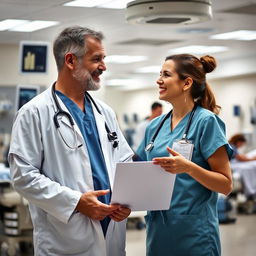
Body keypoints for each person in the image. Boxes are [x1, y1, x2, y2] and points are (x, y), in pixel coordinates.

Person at [8, 26, 133, 256]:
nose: (103, 67)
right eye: (96, 59)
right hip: (64, 239)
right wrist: (76, 202)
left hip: (112, 232)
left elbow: (124, 159)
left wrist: (126, 202)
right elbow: (23, 176)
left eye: (103, 59)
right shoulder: (34, 112)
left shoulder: (104, 112)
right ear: (70, 61)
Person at [136, 54, 233, 256]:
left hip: (194, 233)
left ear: (186, 83)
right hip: (158, 231)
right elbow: (139, 170)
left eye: (166, 74)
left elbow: (225, 184)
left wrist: (189, 167)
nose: (158, 80)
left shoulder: (206, 122)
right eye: (159, 74)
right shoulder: (154, 126)